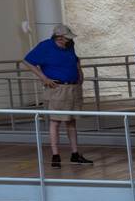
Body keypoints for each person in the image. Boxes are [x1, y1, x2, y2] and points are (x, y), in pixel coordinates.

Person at [23, 24, 93, 169]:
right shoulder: (45, 46)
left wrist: (80, 73)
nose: (68, 41)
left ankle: (75, 153)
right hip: (57, 88)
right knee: (55, 121)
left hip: (72, 87)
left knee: (71, 121)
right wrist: (44, 78)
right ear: (59, 38)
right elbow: (28, 61)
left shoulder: (70, 45)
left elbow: (75, 60)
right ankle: (56, 155)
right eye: (66, 38)